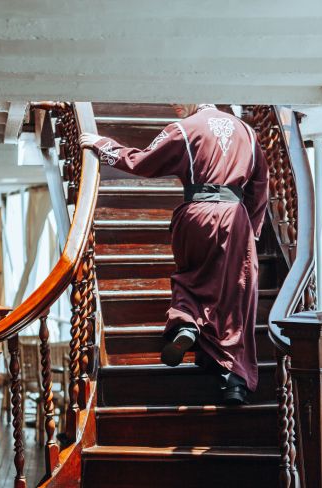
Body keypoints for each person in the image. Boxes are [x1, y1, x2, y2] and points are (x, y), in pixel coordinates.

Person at [79, 103, 268, 404]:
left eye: (178, 100)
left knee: (191, 278)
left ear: (193, 99)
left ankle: (186, 326)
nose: (175, 106)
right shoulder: (247, 132)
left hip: (195, 214)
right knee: (236, 295)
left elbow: (143, 162)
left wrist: (103, 145)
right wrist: (252, 231)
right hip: (235, 216)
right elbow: (260, 186)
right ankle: (234, 381)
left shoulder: (183, 130)